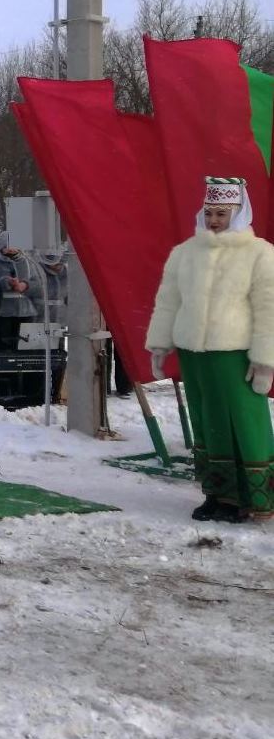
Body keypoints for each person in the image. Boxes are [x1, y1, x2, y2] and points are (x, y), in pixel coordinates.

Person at [146, 176, 274, 524]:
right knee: (205, 422)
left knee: (241, 422)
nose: (214, 220)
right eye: (209, 213)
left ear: (238, 213)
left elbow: (268, 308)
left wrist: (265, 360)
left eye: (222, 213)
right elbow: (168, 301)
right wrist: (159, 344)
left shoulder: (259, 253)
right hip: (194, 354)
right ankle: (216, 494)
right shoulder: (185, 253)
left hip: (235, 354)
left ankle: (248, 497)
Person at [0, 233, 42, 347]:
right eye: (7, 246)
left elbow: (39, 285)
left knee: (25, 347)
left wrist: (25, 285)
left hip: (26, 313)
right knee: (4, 346)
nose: (12, 249)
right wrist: (5, 283)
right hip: (1, 313)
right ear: (1, 247)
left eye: (15, 245)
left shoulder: (28, 263)